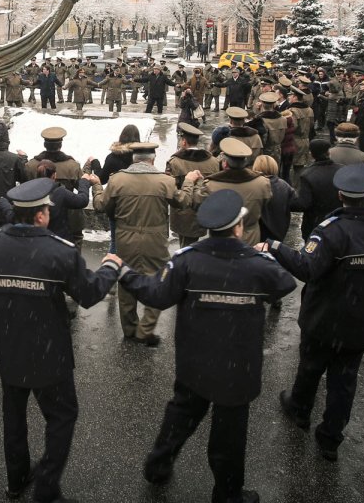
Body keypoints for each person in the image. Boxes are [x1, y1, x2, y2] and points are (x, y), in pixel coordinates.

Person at [0, 178, 123, 503]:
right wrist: (110, 268)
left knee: (13, 416)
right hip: (49, 354)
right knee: (61, 416)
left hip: (8, 348)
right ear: (42, 215)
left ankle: (16, 480)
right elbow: (88, 295)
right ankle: (45, 487)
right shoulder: (59, 252)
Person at [121, 190, 295, 503]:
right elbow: (285, 283)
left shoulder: (188, 261)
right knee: (229, 436)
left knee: (181, 415)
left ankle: (158, 465)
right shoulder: (257, 265)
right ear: (238, 228)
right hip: (238, 365)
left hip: (196, 360)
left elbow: (157, 295)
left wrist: (126, 274)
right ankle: (227, 494)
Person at [262, 165, 364, 461]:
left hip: (324, 317)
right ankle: (330, 436)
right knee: (344, 382)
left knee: (311, 366)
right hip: (360, 320)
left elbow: (307, 268)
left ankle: (300, 409)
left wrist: (275, 246)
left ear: (341, 196)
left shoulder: (332, 231)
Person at [92, 142, 191, 346]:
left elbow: (101, 206)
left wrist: (96, 186)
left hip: (125, 239)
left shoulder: (118, 179)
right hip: (155, 240)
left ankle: (129, 329)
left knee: (126, 281)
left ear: (133, 159)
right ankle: (146, 328)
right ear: (153, 160)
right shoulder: (165, 181)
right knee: (158, 282)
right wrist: (189, 182)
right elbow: (183, 202)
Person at [190, 138, 273, 245]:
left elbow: (196, 203)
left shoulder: (211, 185)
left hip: (221, 240)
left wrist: (197, 183)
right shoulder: (262, 182)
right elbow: (267, 203)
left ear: (225, 163)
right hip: (251, 238)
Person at [166, 123, 220, 247]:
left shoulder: (174, 162)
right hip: (205, 211)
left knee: (185, 248)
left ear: (184, 142)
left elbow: (170, 189)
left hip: (182, 214)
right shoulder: (213, 162)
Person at [290, 139, 342, 239]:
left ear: (311, 154)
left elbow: (303, 204)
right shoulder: (341, 169)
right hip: (338, 220)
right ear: (328, 152)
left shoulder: (308, 175)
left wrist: (289, 199)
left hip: (315, 223)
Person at [252, 154, 296, 247]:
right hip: (280, 230)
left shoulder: (254, 185)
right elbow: (296, 204)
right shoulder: (284, 185)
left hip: (260, 233)